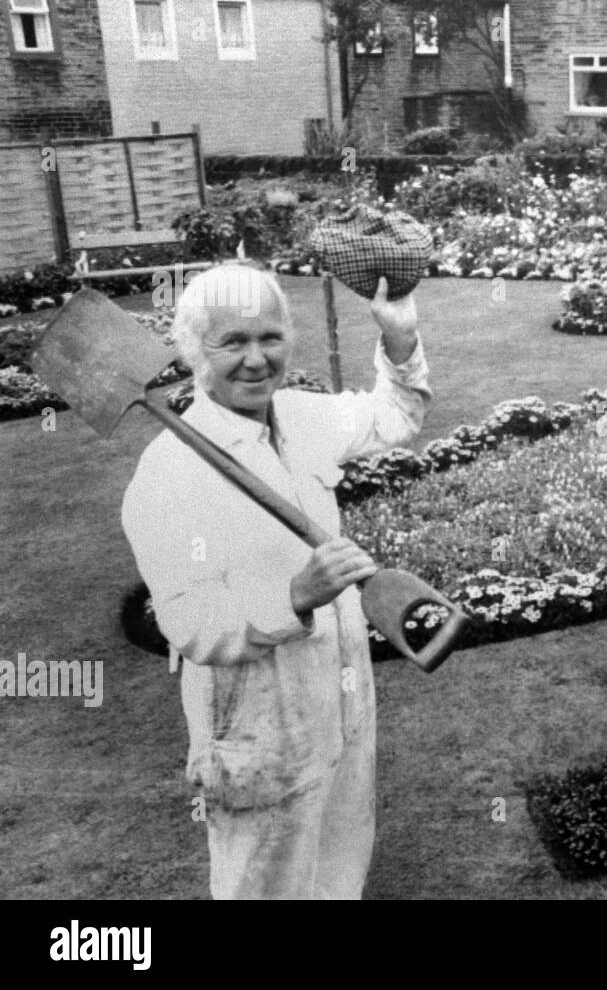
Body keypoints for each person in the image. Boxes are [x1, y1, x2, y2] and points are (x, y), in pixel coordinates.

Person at [121, 264, 431, 898]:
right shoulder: (167, 474)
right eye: (232, 342)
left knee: (341, 875)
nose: (256, 360)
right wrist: (294, 596)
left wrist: (399, 337)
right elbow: (190, 624)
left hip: (342, 701)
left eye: (270, 338)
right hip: (255, 726)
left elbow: (394, 415)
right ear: (191, 349)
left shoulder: (301, 416)